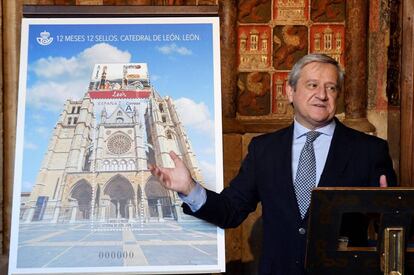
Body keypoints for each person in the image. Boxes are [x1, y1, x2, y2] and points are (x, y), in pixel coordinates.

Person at [148, 53, 397, 275]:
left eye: (331, 88)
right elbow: (230, 211)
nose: (322, 95)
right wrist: (189, 188)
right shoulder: (264, 149)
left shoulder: (369, 150)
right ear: (290, 92)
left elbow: (393, 228)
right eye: (312, 85)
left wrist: (385, 212)